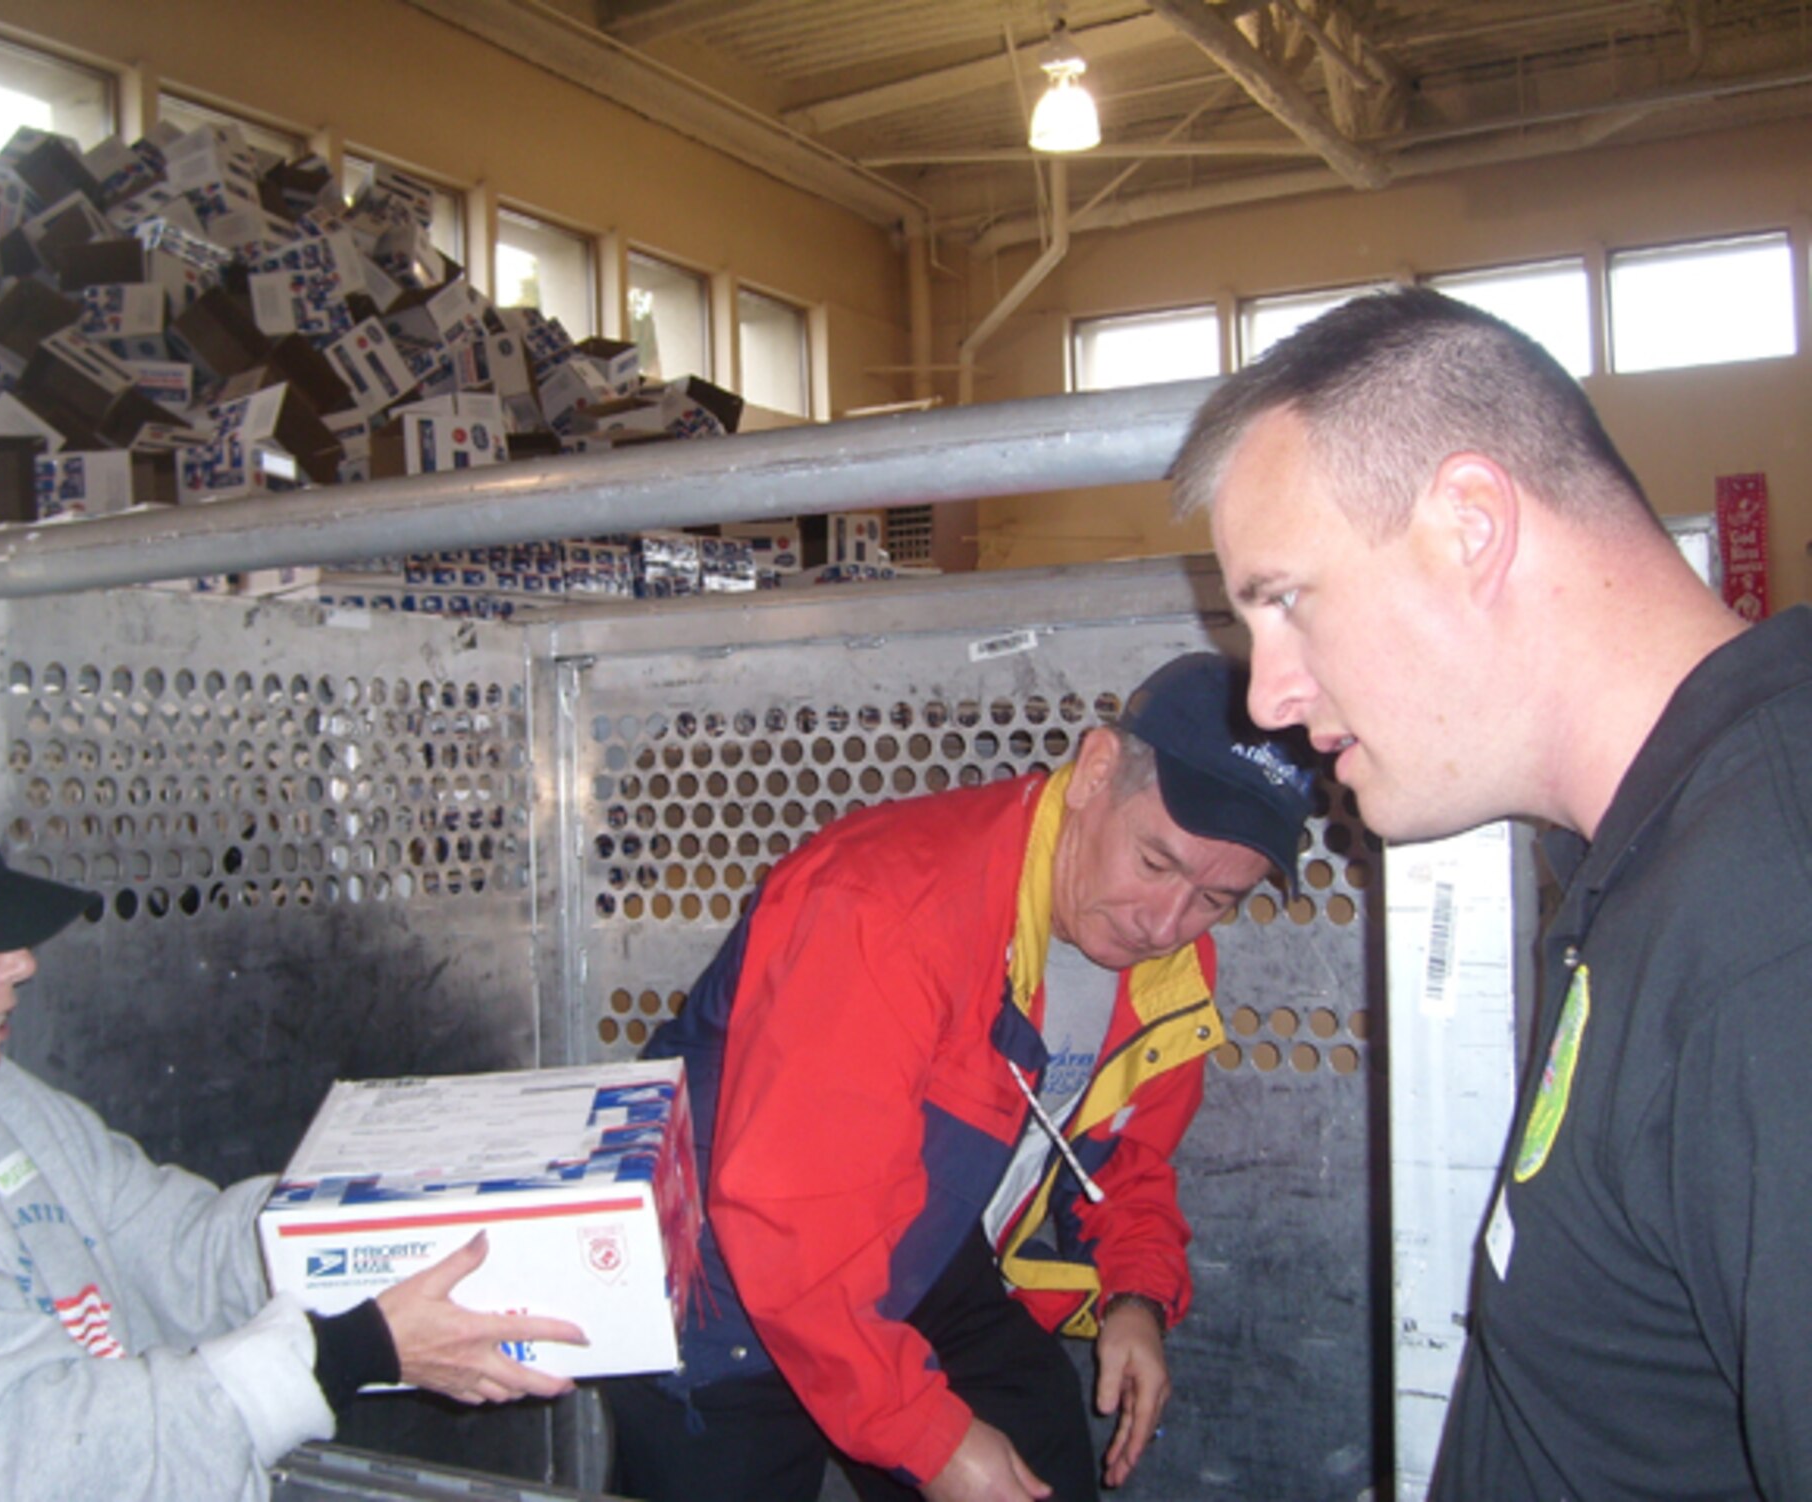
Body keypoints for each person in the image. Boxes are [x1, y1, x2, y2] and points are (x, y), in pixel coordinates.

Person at [1169, 285, 1808, 1499]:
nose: (1265, 698)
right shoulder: (1662, 862)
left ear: (1469, 524)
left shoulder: (1773, 922)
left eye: (1284, 597)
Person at [604, 652, 1320, 1502]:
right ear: (1094, 772)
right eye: (1156, 863)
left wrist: (1136, 1297)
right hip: (720, 1294)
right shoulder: (883, 909)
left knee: (1039, 1446)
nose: (1166, 923)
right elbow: (793, 1220)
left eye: (1216, 899)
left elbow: (1120, 1158)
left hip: (914, 1244)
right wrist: (931, 1439)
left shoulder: (1161, 965)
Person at [0, 764, 588, 1501]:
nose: (19, 962)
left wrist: (403, 1212)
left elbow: (180, 1249)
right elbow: (48, 1451)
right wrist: (355, 1352)